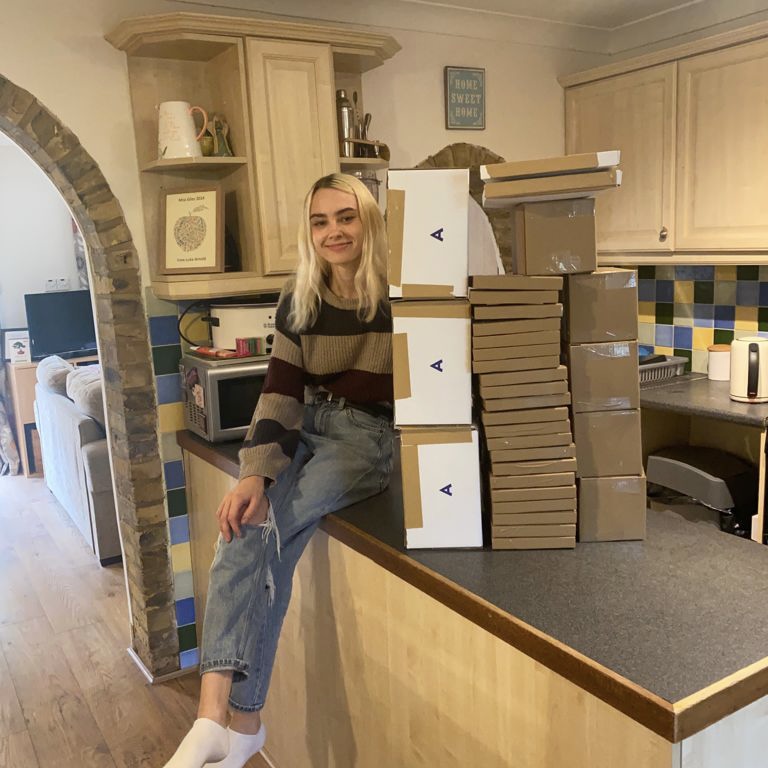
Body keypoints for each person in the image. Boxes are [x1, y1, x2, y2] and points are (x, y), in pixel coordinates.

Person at [164, 172, 394, 768]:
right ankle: (218, 716)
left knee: (276, 527)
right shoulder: (299, 300)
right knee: (243, 521)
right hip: (307, 426)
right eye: (320, 221)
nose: (333, 231)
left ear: (368, 220)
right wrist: (254, 475)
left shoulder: (402, 295)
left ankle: (241, 722)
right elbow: (280, 392)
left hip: (365, 437)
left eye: (345, 217)